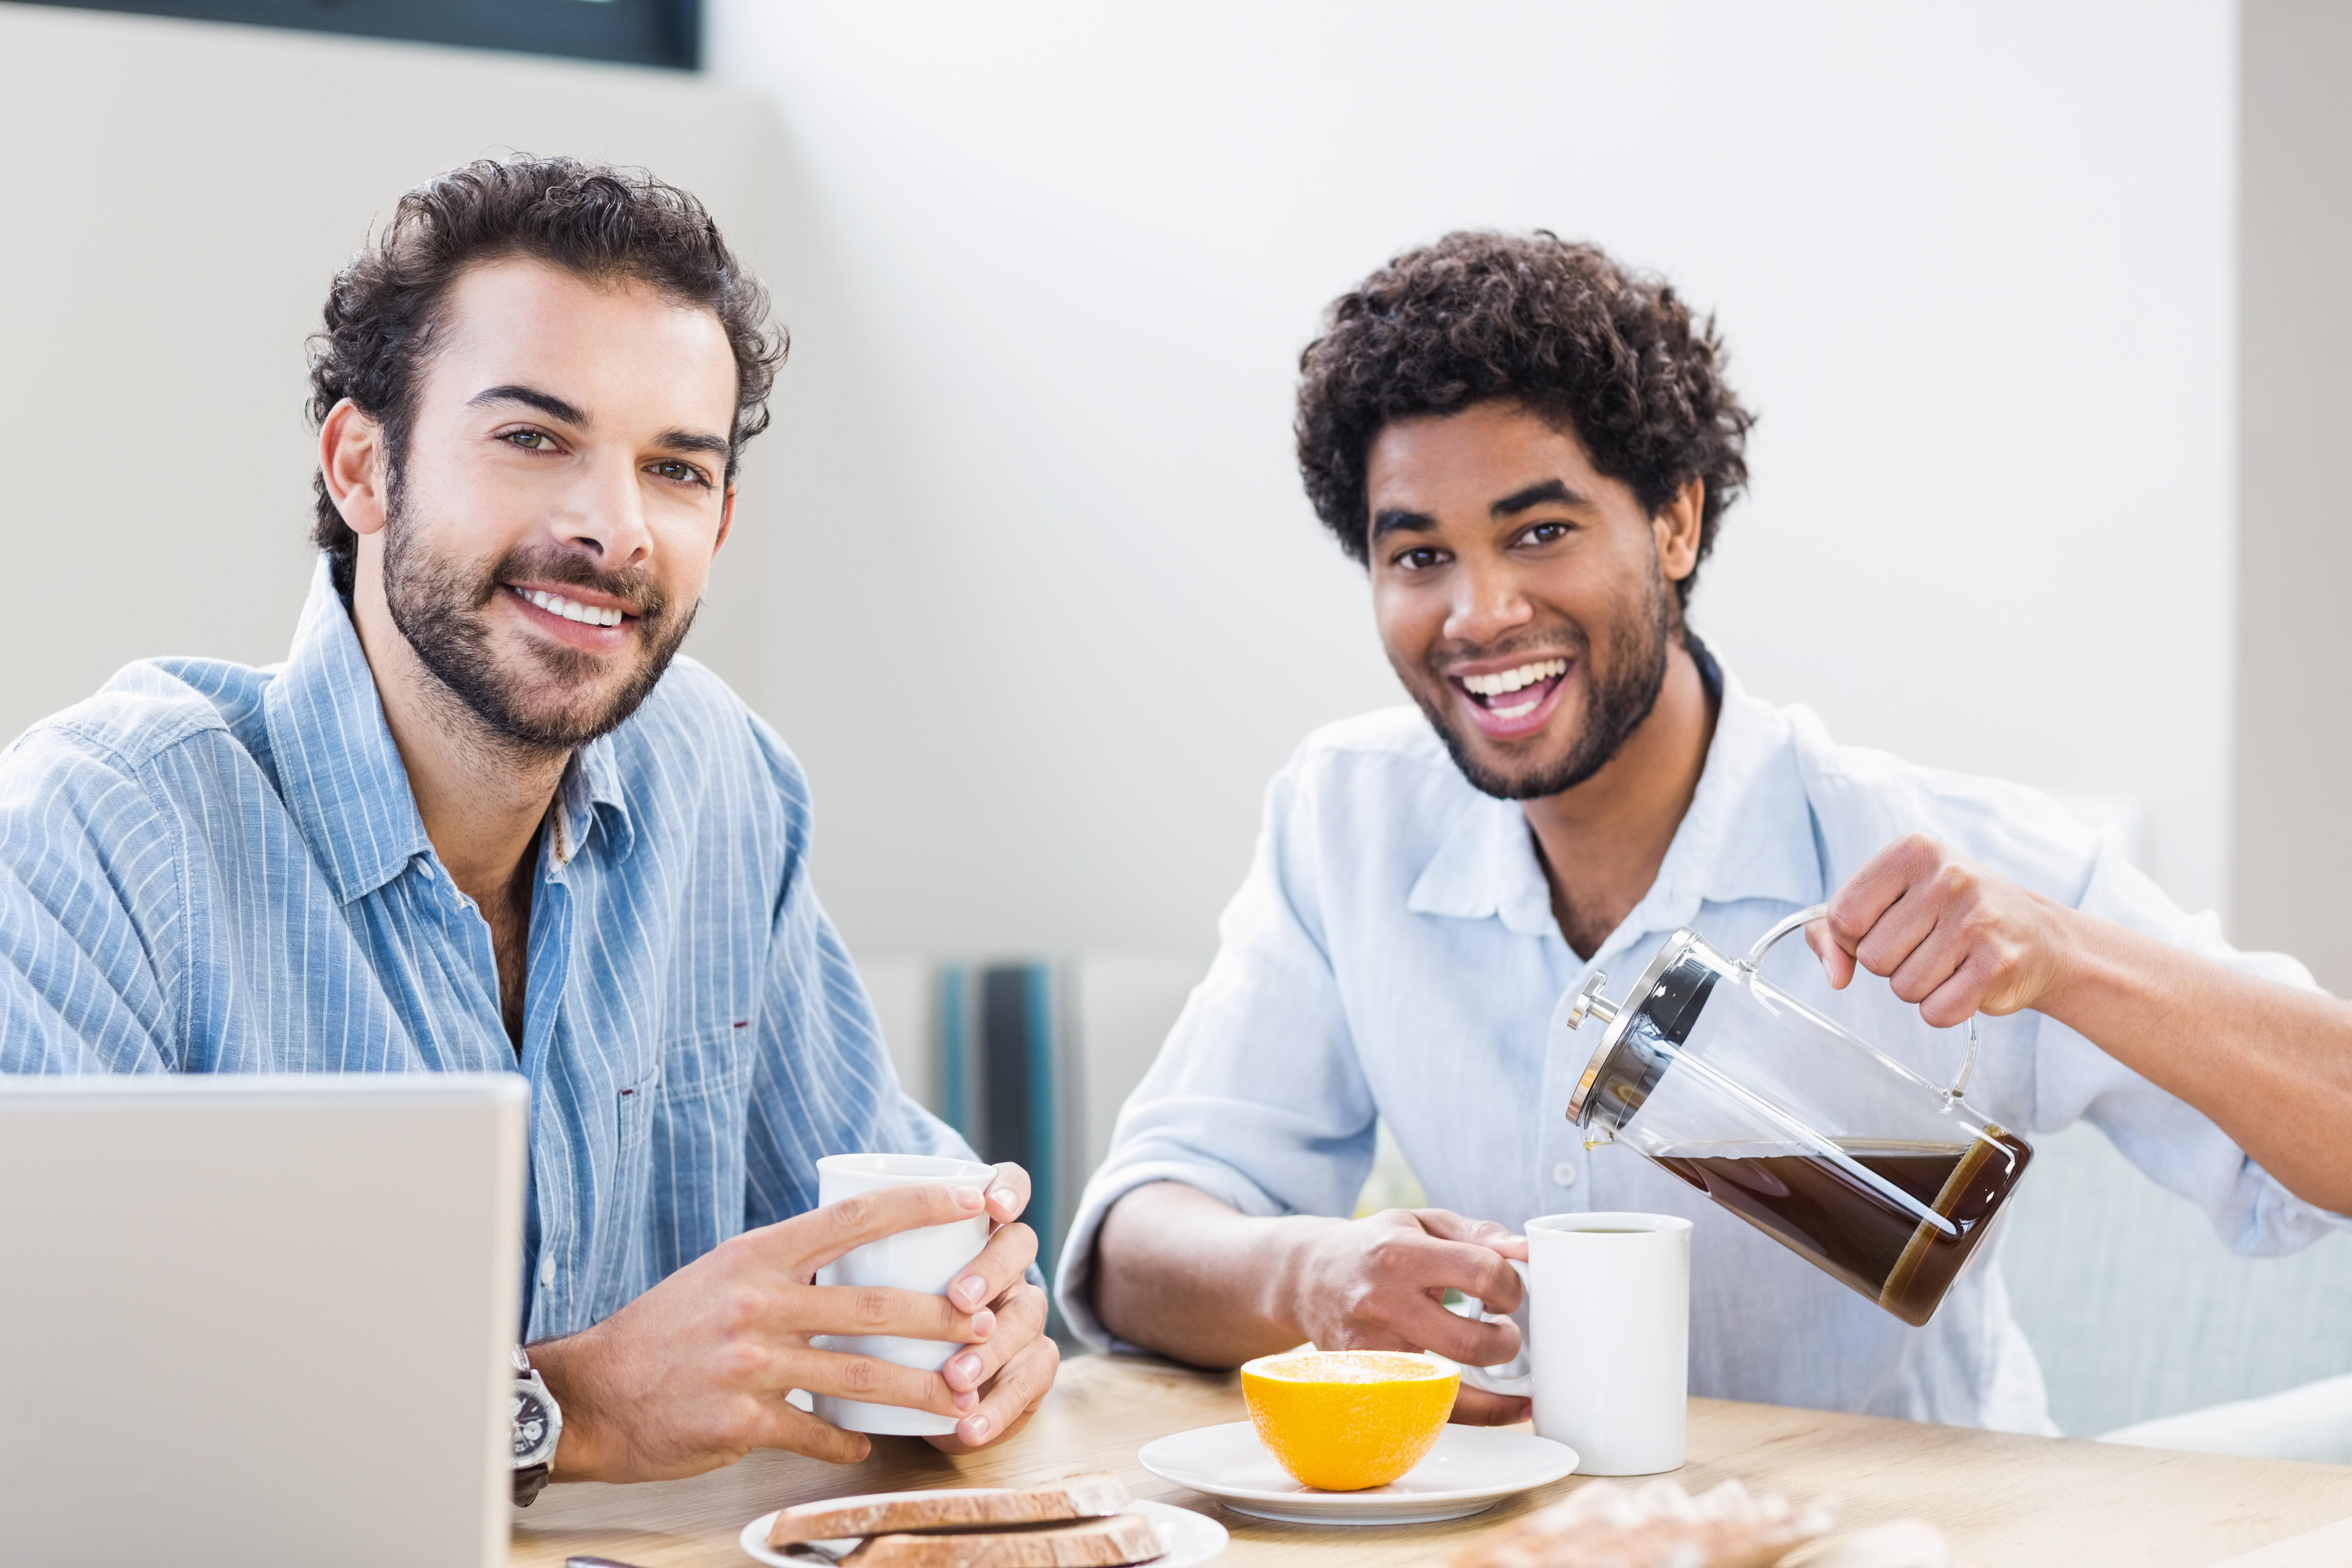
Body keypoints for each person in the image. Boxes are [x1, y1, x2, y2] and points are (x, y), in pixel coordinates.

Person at [1056, 231, 2352, 1433]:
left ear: (1674, 521)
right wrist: (1312, 1275)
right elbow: (1134, 1245)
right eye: (1419, 557)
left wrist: (2073, 961)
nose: (1480, 612)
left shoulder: (1933, 854)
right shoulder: (1348, 821)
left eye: (1542, 531)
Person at [0, 158, 1057, 1490]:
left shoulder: (722, 784)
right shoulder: (101, 837)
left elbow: (880, 1210)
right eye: (534, 437)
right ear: (360, 466)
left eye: (675, 469)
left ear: (720, 525)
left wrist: (982, 1312)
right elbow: (40, 1419)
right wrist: (565, 1409)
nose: (612, 528)